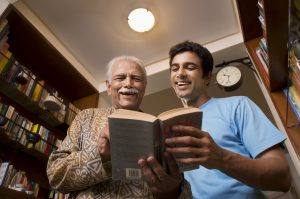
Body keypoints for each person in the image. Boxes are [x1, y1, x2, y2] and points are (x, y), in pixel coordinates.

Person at [46, 55, 191, 198]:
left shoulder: (160, 131)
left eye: (137, 79)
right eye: (120, 78)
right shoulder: (86, 117)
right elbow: (55, 175)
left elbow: (184, 194)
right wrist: (99, 156)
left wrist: (172, 191)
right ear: (109, 87)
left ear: (144, 88)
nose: (128, 83)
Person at [164, 41, 291, 199]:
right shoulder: (168, 128)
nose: (180, 73)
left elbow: (283, 178)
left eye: (190, 67)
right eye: (174, 68)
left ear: (207, 77)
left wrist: (221, 158)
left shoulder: (238, 105)